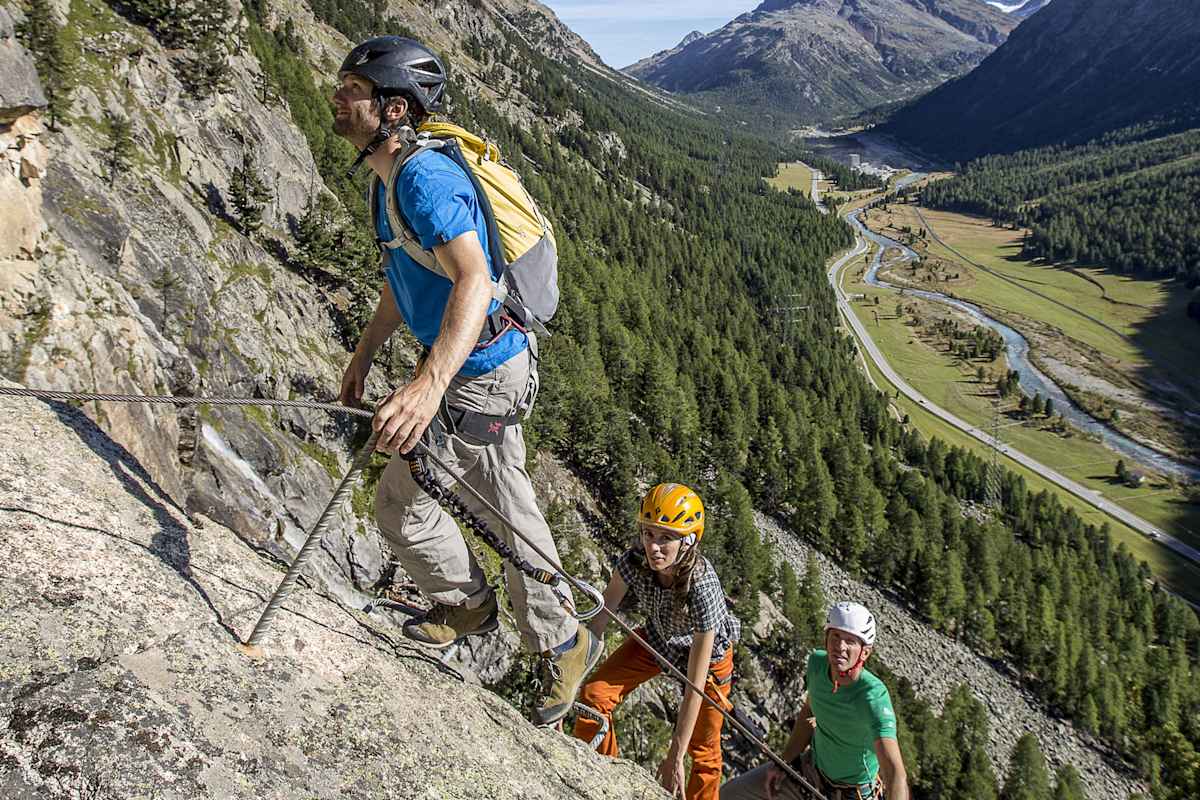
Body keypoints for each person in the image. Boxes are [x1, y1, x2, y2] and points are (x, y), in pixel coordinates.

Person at [332, 35, 599, 726]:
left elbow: (474, 279)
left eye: (352, 91)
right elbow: (405, 276)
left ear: (393, 109)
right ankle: (543, 633)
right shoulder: (388, 181)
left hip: (479, 372)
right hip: (478, 364)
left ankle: (494, 616)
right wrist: (365, 354)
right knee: (501, 503)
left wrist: (426, 385)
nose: (338, 98)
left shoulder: (421, 179)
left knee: (412, 505)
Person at [573, 483, 741, 800]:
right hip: (659, 639)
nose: (654, 547)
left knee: (703, 753)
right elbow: (599, 622)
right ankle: (600, 775)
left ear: (689, 541)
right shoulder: (634, 561)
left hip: (707, 661)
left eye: (666, 538)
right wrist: (564, 691)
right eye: (649, 534)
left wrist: (675, 756)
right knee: (594, 695)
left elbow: (695, 684)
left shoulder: (703, 586)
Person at [721, 602, 908, 800]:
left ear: (865, 652)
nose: (840, 647)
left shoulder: (873, 697)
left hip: (851, 793)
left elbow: (895, 773)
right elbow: (810, 712)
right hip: (810, 773)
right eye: (835, 636)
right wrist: (784, 762)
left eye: (850, 641)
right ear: (826, 638)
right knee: (729, 794)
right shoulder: (817, 664)